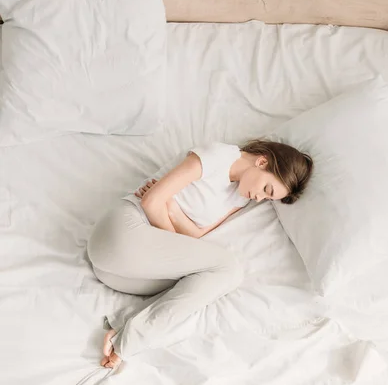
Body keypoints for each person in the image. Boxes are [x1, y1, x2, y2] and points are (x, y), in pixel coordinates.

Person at [87, 140, 313, 370]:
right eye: (267, 190)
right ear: (262, 161)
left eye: (267, 199)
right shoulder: (216, 156)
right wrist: (172, 228)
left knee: (201, 285)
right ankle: (132, 339)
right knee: (229, 269)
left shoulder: (241, 197)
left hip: (119, 272)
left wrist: (172, 210)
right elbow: (151, 201)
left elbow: (196, 234)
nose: (259, 198)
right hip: (122, 232)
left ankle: (123, 327)